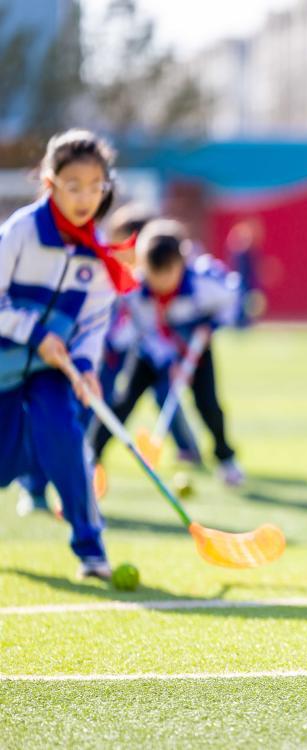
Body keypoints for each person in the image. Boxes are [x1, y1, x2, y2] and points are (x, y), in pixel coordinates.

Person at [0, 129, 136, 579]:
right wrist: (33, 332)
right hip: (5, 360)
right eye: (73, 185)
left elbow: (95, 323)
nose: (84, 197)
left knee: (65, 439)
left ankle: (90, 547)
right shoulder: (20, 231)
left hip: (50, 369)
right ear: (49, 182)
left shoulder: (97, 254)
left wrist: (84, 366)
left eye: (95, 187)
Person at [88, 219, 245, 486]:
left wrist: (212, 325)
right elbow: (139, 330)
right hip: (151, 353)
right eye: (153, 273)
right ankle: (91, 456)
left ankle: (225, 458)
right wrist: (167, 360)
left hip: (196, 351)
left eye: (168, 273)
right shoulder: (135, 292)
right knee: (123, 401)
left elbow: (232, 297)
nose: (161, 281)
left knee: (208, 405)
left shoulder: (204, 282)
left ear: (181, 264)